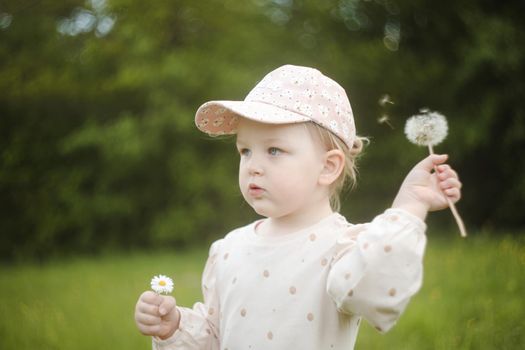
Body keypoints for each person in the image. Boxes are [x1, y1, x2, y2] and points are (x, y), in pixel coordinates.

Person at [134, 65, 462, 349]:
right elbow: (217, 338)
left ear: (328, 167)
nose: (253, 166)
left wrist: (410, 205)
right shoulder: (227, 250)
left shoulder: (343, 249)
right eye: (245, 151)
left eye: (274, 150)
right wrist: (174, 327)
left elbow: (378, 292)